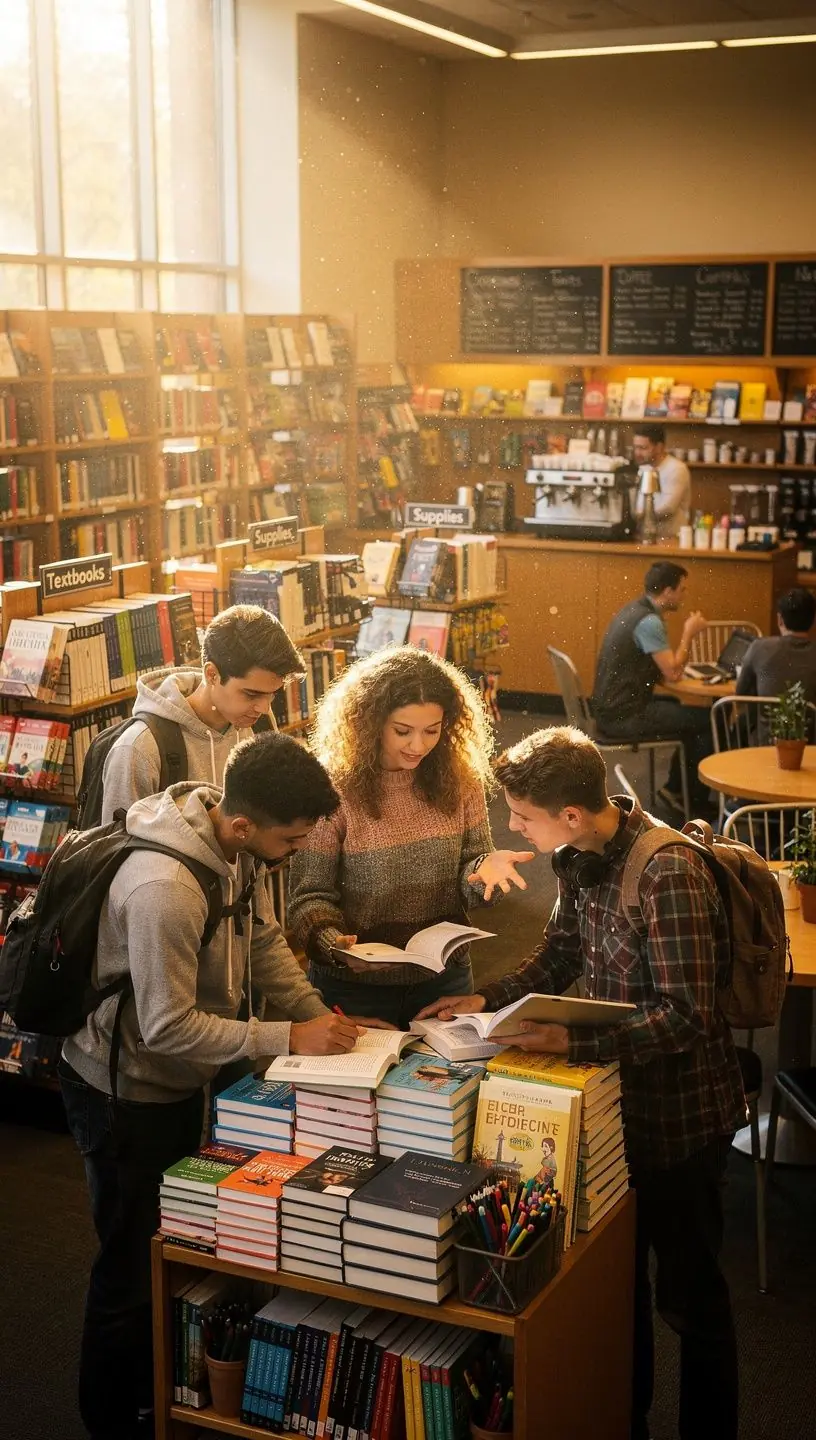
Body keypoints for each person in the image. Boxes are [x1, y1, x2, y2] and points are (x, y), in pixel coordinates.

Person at [416, 725, 745, 1440]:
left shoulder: (668, 874)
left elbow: (687, 1019)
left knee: (691, 1302)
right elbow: (561, 947)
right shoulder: (579, 854)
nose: (513, 829)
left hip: (681, 1120)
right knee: (613, 1293)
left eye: (524, 816)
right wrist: (491, 999)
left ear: (570, 814)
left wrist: (572, 1038)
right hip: (612, 1111)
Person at [59, 731, 385, 1440]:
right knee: (129, 1257)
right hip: (124, 1091)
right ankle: (111, 1417)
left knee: (177, 1245)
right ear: (243, 826)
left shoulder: (233, 843)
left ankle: (162, 1389)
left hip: (181, 1079)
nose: (297, 852)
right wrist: (284, 1039)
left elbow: (262, 940)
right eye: (293, 840)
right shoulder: (165, 891)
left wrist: (315, 1016)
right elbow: (168, 1027)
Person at [287, 646, 534, 1029]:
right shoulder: (332, 789)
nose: (418, 746)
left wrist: (487, 872)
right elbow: (309, 897)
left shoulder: (459, 780)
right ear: (369, 723)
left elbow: (471, 878)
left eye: (432, 731)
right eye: (402, 731)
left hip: (443, 980)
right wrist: (335, 946)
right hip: (354, 985)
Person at [100, 603, 304, 822]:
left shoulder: (258, 723)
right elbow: (119, 849)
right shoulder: (139, 748)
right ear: (212, 674)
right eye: (251, 694)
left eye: (272, 694)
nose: (264, 708)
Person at [592, 560, 711, 813]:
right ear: (668, 591)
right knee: (707, 720)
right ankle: (690, 799)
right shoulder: (650, 622)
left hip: (610, 710)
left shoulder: (633, 610)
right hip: (624, 716)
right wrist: (690, 633)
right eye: (682, 589)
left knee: (682, 711)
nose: (684, 595)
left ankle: (675, 789)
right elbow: (674, 672)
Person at [736, 585, 816, 740]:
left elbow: (740, 695)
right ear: (813, 620)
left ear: (779, 619)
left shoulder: (760, 647)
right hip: (810, 748)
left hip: (764, 745)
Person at [633, 424, 691, 542]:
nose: (637, 453)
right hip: (645, 538)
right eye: (635, 447)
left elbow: (667, 508)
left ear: (659, 447)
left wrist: (634, 515)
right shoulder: (644, 468)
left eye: (643, 448)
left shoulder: (676, 469)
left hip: (670, 540)